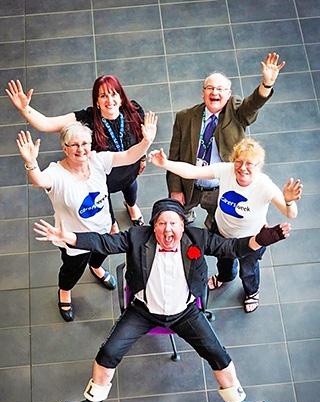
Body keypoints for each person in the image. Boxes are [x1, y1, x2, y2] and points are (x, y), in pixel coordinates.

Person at [33, 198, 290, 402]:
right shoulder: (136, 237)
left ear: (182, 226)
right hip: (143, 311)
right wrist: (69, 238)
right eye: (161, 224)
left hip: (186, 312)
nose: (168, 229)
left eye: (173, 223)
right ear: (153, 226)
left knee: (218, 354)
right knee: (108, 351)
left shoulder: (197, 238)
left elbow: (232, 248)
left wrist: (261, 240)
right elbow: (104, 243)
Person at [16, 112, 157, 321]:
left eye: (85, 143)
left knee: (100, 254)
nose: (80, 149)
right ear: (65, 148)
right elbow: (39, 180)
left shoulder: (97, 160)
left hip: (103, 230)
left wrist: (147, 141)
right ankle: (65, 291)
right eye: (74, 145)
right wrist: (31, 163)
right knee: (71, 270)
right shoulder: (57, 173)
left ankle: (97, 267)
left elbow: (128, 156)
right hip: (74, 238)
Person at [148, 138, 302, 313]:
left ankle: (252, 291)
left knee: (248, 271)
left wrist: (288, 201)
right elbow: (192, 172)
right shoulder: (226, 170)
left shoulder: (264, 185)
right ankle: (224, 277)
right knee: (224, 264)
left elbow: (291, 214)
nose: (242, 168)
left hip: (251, 240)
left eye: (249, 164)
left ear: (259, 166)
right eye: (239, 162)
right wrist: (165, 163)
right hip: (222, 233)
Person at [6, 75, 147, 233]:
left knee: (131, 188)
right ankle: (112, 223)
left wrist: (142, 158)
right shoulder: (87, 118)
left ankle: (131, 206)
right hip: (103, 178)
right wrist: (25, 109)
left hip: (130, 170)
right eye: (103, 96)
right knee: (102, 201)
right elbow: (47, 123)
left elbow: (142, 137)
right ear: (97, 102)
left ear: (120, 97)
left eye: (113, 94)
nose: (109, 100)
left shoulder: (134, 111)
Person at [166, 52, 286, 230]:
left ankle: (212, 223)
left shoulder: (235, 111)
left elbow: (252, 105)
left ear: (229, 94)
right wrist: (175, 189)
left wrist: (267, 83)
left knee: (218, 221)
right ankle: (188, 216)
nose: (215, 92)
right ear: (203, 93)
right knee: (180, 214)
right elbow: (174, 156)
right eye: (209, 88)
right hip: (189, 185)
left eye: (220, 89)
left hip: (220, 187)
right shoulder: (184, 117)